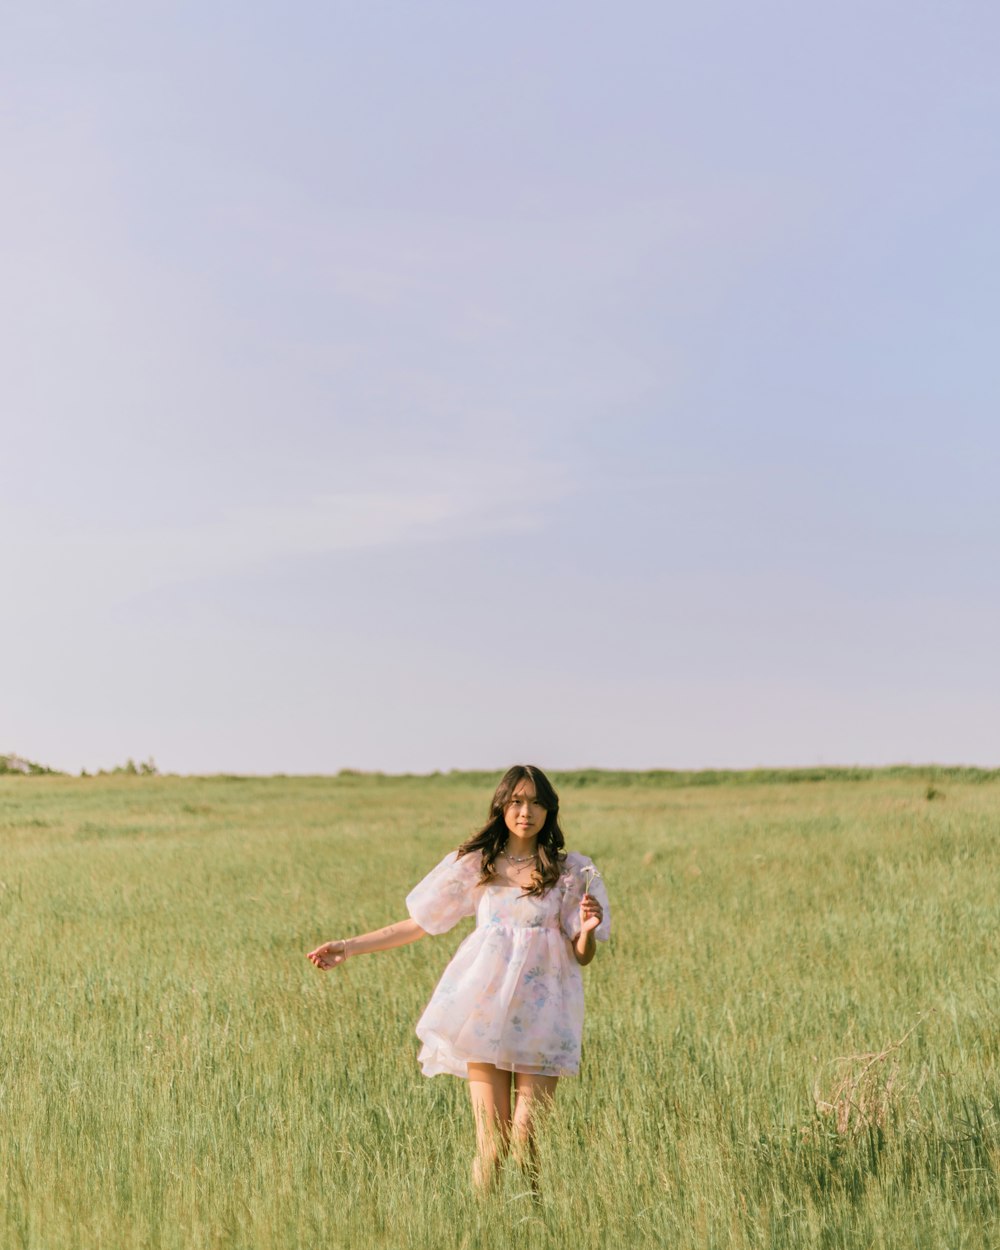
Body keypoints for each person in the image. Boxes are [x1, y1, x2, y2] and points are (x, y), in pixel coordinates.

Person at [306, 763, 610, 1192]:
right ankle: (483, 1228)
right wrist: (349, 945)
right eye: (518, 801)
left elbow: (582, 955)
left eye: (538, 803)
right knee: (493, 1145)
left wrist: (589, 932)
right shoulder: (478, 865)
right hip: (483, 1013)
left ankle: (533, 1227)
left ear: (549, 811)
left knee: (527, 1142)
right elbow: (420, 923)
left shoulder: (570, 872)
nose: (527, 812)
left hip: (544, 1018)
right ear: (502, 806)